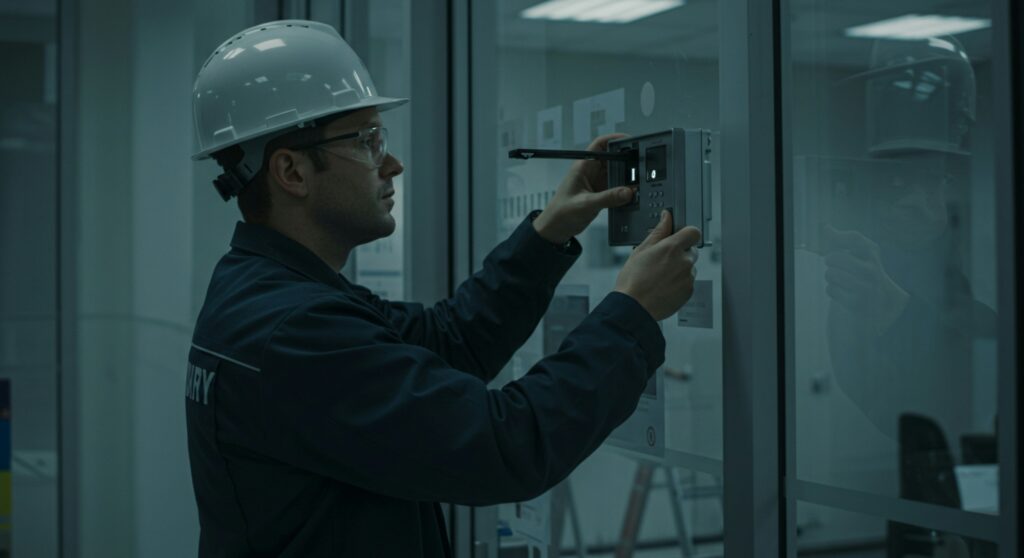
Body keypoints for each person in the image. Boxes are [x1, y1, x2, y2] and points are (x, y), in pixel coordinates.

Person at [186, 20, 701, 557]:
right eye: (367, 141)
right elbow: (504, 446)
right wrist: (631, 313)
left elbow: (447, 339)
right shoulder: (293, 330)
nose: (393, 163)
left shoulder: (264, 291)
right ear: (291, 172)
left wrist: (550, 233)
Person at [822, 35, 997, 446]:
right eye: (900, 183)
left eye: (933, 181)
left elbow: (985, 358)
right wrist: (895, 309)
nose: (917, 200)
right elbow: (920, 408)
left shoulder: (956, 255)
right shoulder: (864, 278)